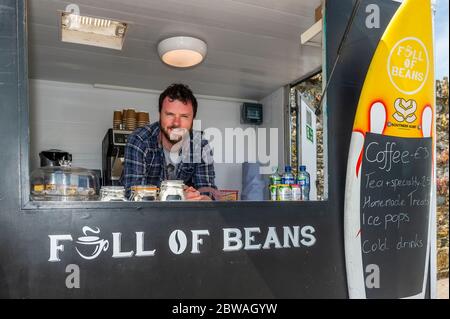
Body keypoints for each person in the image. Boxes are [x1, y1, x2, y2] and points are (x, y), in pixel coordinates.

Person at [121, 83, 217, 201]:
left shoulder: (200, 146)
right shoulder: (140, 140)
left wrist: (198, 197)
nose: (176, 123)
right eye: (170, 114)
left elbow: (209, 194)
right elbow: (132, 195)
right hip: (143, 218)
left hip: (186, 218)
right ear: (160, 115)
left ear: (193, 119)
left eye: (184, 116)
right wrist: (179, 197)